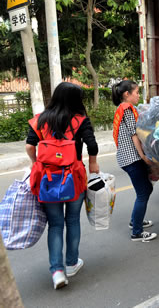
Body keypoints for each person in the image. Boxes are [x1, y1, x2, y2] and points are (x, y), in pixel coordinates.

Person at [25, 82, 99, 289]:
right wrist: (93, 162)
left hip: (47, 179)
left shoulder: (40, 120)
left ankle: (57, 271)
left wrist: (35, 164)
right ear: (76, 100)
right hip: (73, 178)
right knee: (73, 220)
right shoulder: (80, 120)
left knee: (55, 224)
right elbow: (92, 144)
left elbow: (30, 146)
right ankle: (72, 263)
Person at [112, 80, 157, 242]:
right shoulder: (127, 110)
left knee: (145, 190)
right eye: (136, 92)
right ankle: (137, 232)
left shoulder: (121, 108)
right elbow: (134, 134)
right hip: (132, 158)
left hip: (125, 158)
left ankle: (135, 221)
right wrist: (143, 156)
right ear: (127, 94)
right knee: (143, 192)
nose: (138, 95)